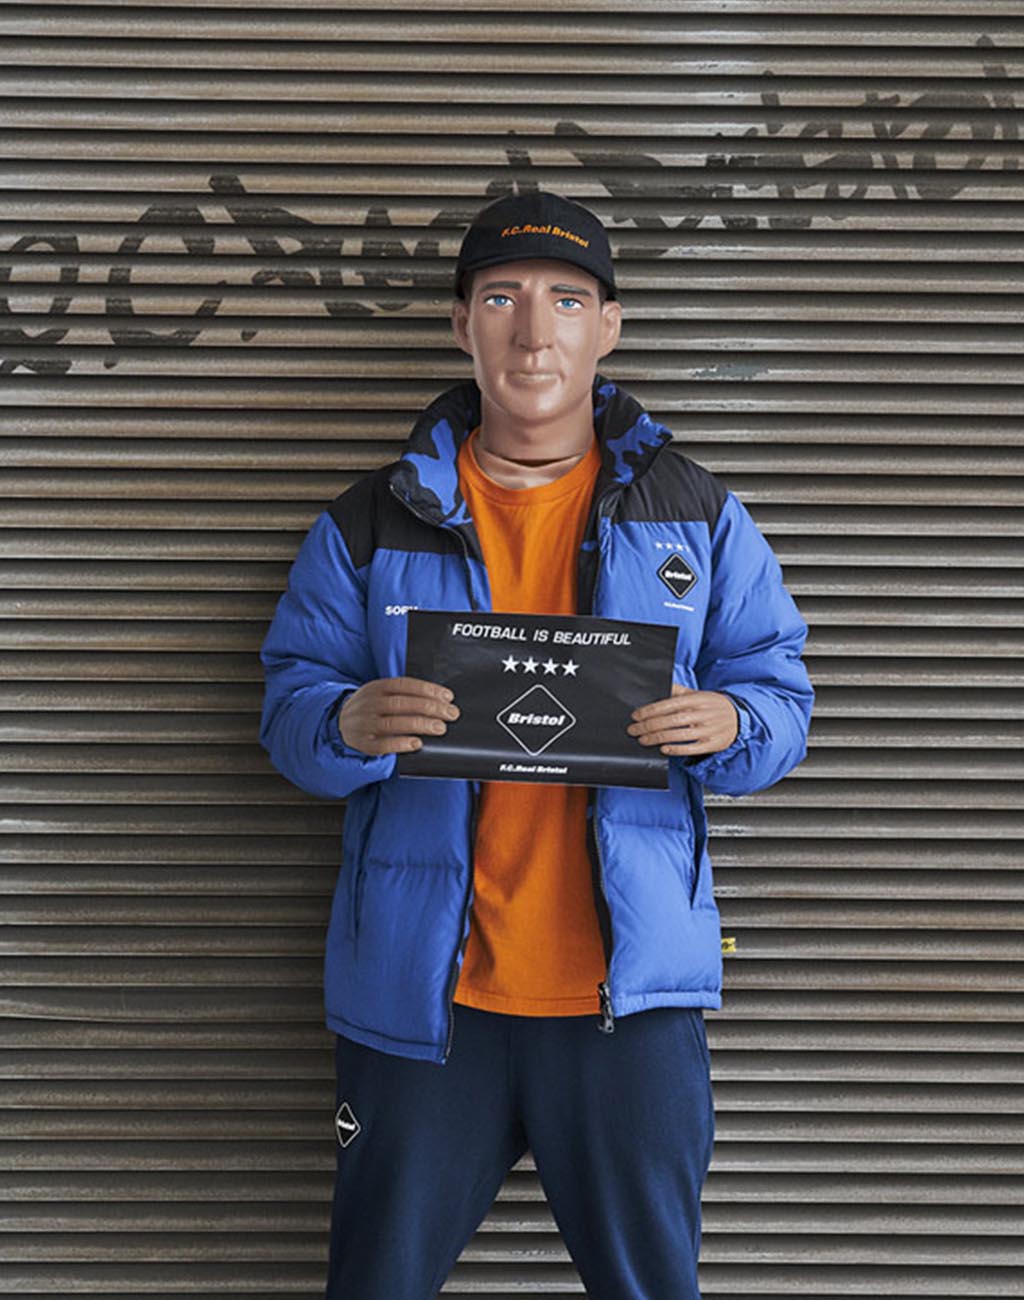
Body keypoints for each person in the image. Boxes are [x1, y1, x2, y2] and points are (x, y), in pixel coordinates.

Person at [259, 190, 815, 1300]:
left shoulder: (699, 514)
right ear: (460, 324)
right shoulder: (369, 520)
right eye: (500, 298)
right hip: (425, 1007)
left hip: (628, 1006)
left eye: (566, 300)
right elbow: (290, 714)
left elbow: (780, 699)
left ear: (609, 326)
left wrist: (732, 725)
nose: (532, 331)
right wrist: (344, 724)